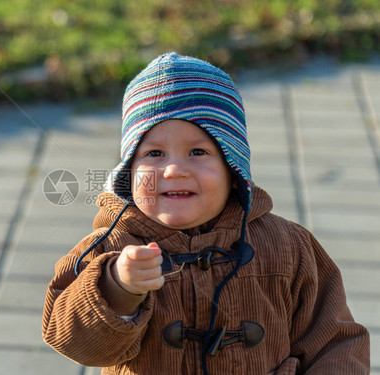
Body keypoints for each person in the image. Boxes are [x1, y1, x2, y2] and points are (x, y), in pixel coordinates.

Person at [42, 52, 370, 374]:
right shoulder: (110, 248)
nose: (173, 170)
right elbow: (72, 341)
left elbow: (335, 343)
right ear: (130, 171)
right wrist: (117, 289)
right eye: (154, 153)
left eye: (198, 152)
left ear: (232, 168)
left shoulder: (288, 246)